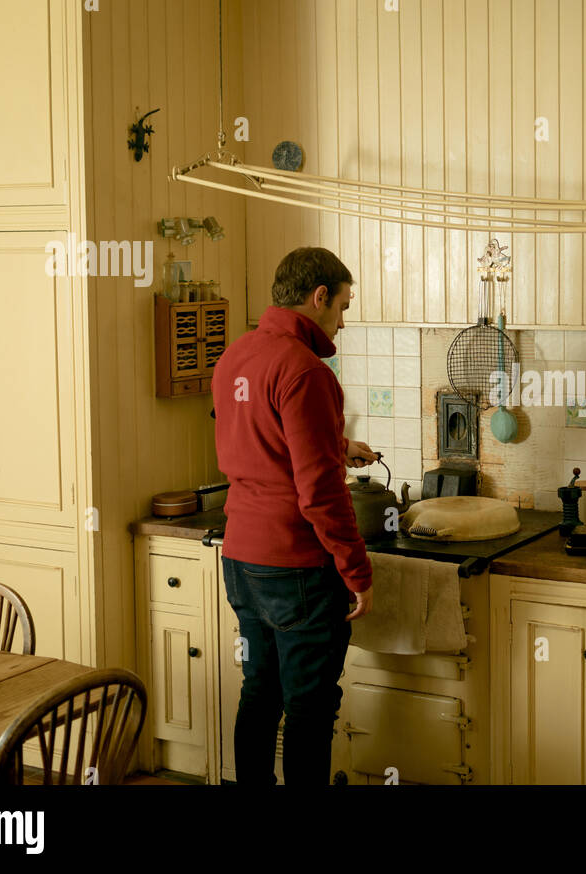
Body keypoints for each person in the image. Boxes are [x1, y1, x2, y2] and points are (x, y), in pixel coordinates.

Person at [212, 246, 377, 785]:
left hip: (241, 558)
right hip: (297, 567)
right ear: (319, 296)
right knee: (308, 708)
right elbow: (320, 493)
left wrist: (337, 442)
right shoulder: (306, 370)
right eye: (343, 306)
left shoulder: (235, 356)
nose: (343, 321)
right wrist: (357, 572)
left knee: (259, 692)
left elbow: (264, 435)